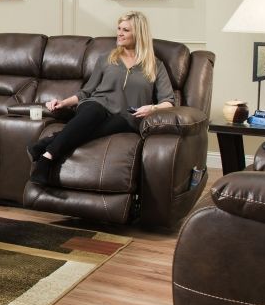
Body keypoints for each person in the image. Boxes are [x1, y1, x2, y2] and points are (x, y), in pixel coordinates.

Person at [28, 11, 175, 184]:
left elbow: (169, 102)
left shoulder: (154, 65)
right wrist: (63, 102)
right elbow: (86, 92)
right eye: (119, 29)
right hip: (97, 104)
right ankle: (47, 158)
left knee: (93, 130)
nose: (119, 33)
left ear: (139, 33)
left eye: (126, 30)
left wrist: (152, 108)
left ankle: (44, 144)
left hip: (126, 117)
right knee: (92, 112)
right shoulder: (107, 58)